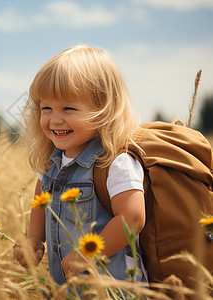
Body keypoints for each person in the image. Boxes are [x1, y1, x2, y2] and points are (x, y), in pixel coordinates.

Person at [14, 45, 147, 284]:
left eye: (68, 108)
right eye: (46, 108)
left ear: (104, 109)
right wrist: (34, 240)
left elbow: (133, 218)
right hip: (70, 285)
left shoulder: (115, 163)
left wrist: (89, 254)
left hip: (115, 287)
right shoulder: (49, 165)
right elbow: (40, 204)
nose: (55, 119)